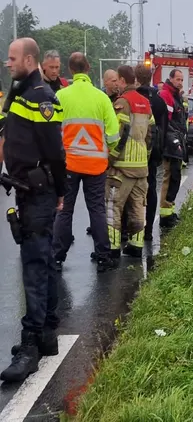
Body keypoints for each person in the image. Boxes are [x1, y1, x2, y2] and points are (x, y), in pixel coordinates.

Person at [1, 38, 66, 382]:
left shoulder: (41, 96)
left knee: (35, 264)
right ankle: (46, 334)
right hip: (29, 191)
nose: (7, 63)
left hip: (40, 192)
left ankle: (32, 344)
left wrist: (61, 189)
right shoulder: (22, 93)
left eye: (12, 58)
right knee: (44, 261)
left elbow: (54, 149)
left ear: (29, 58)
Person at [53, 53, 120, 272]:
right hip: (96, 166)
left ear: (70, 70)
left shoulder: (61, 96)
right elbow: (113, 133)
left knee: (64, 210)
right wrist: (108, 152)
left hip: (68, 165)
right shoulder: (101, 98)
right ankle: (103, 255)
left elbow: (52, 130)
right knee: (97, 210)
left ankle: (57, 256)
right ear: (89, 68)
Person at [107, 65, 154, 258]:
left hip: (122, 167)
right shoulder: (145, 103)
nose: (116, 83)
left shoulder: (122, 103)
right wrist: (146, 156)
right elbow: (152, 135)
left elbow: (120, 133)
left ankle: (113, 247)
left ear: (123, 80)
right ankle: (136, 246)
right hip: (141, 166)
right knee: (137, 207)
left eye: (117, 80)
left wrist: (111, 158)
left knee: (114, 206)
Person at [135, 65, 167, 241]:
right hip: (154, 152)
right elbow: (164, 127)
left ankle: (133, 230)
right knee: (151, 189)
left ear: (136, 78)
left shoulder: (132, 98)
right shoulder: (159, 101)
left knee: (134, 192)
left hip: (135, 152)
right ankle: (147, 231)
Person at [158, 69, 187, 229]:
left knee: (175, 177)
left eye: (182, 79)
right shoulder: (166, 95)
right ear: (170, 79)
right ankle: (165, 215)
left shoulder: (176, 95)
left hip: (177, 141)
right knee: (169, 178)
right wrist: (174, 141)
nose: (180, 82)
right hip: (171, 143)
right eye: (178, 79)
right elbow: (166, 123)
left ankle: (169, 211)